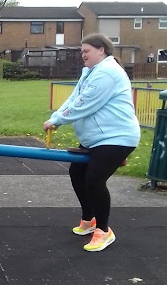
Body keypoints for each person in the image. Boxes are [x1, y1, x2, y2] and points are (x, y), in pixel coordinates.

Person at [44, 33, 140, 252]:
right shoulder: (90, 72)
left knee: (94, 179)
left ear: (101, 50)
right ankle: (90, 219)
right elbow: (74, 99)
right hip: (98, 139)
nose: (82, 55)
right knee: (77, 173)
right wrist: (56, 117)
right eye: (81, 51)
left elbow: (85, 103)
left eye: (86, 51)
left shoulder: (107, 72)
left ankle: (104, 231)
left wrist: (58, 119)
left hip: (117, 137)